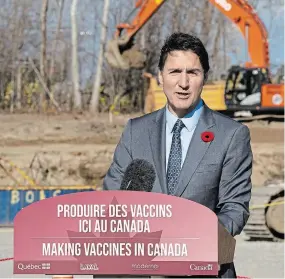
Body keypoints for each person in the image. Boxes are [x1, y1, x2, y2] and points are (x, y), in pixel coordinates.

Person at [103, 32, 253, 278]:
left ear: (204, 77)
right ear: (160, 77)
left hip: (203, 269)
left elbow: (234, 208)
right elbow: (112, 199)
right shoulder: (135, 131)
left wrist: (196, 242)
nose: (183, 83)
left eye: (192, 73)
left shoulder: (232, 135)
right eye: (174, 72)